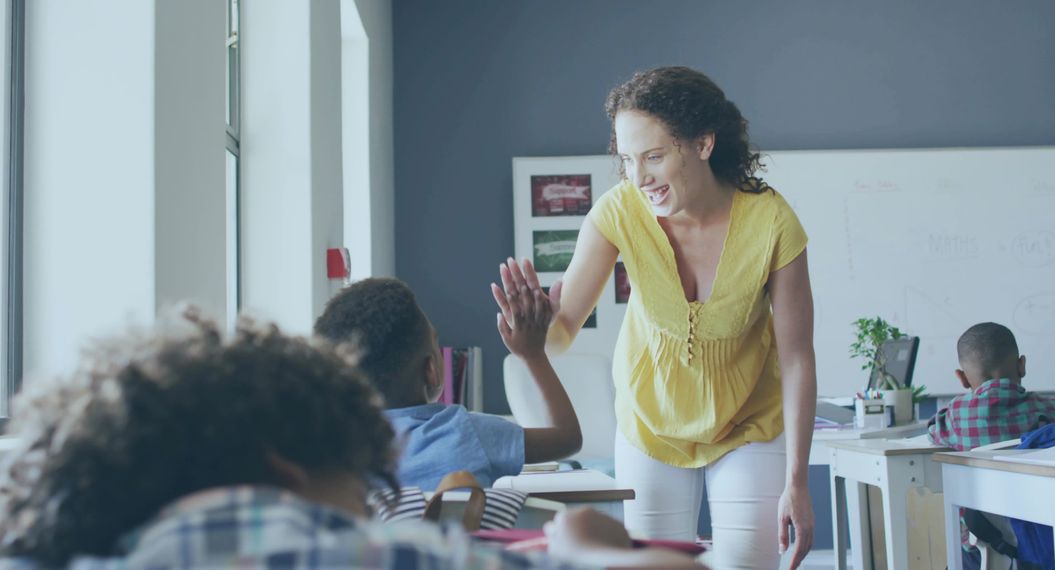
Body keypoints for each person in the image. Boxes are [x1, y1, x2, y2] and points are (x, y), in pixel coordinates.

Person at [0, 307, 703, 569]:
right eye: (357, 481)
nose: (369, 503)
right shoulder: (267, 540)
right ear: (284, 473)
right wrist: (582, 543)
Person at [493, 66, 817, 569]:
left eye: (654, 156)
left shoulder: (772, 223)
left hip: (748, 422)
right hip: (651, 422)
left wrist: (798, 480)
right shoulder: (619, 211)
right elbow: (560, 335)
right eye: (626, 159)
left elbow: (796, 359)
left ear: (703, 144)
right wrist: (533, 338)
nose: (638, 177)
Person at [315, 277, 581, 490]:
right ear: (431, 370)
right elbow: (567, 437)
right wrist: (533, 354)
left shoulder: (331, 454)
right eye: (435, 340)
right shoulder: (463, 431)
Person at [928, 321, 1055, 450]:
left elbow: (932, 432)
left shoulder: (956, 413)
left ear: (963, 378)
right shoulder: (1050, 409)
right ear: (1021, 365)